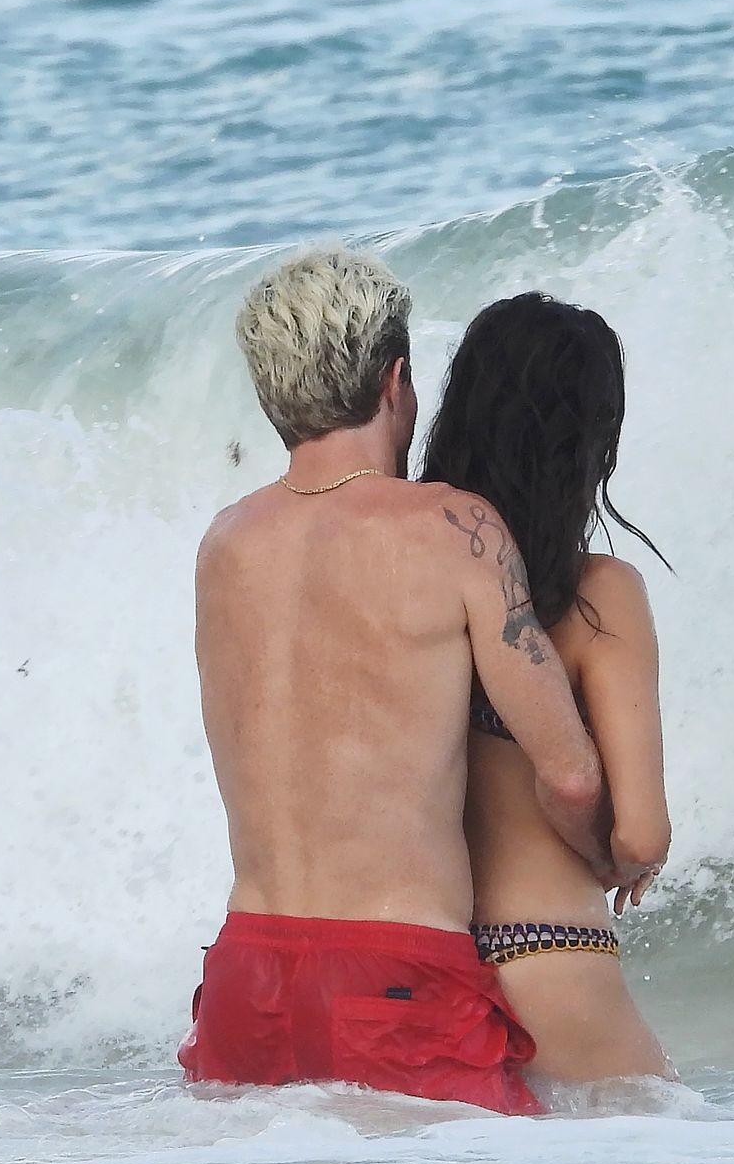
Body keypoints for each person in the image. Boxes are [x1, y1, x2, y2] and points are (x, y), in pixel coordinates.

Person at [177, 247, 651, 1115]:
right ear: (396, 381)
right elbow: (571, 776)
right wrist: (600, 858)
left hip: (245, 971)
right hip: (391, 975)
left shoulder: (225, 542)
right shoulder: (453, 527)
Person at [421, 292, 675, 1082]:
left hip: (417, 966)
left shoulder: (404, 578)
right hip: (549, 957)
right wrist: (613, 859)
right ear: (593, 439)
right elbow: (641, 834)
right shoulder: (602, 594)